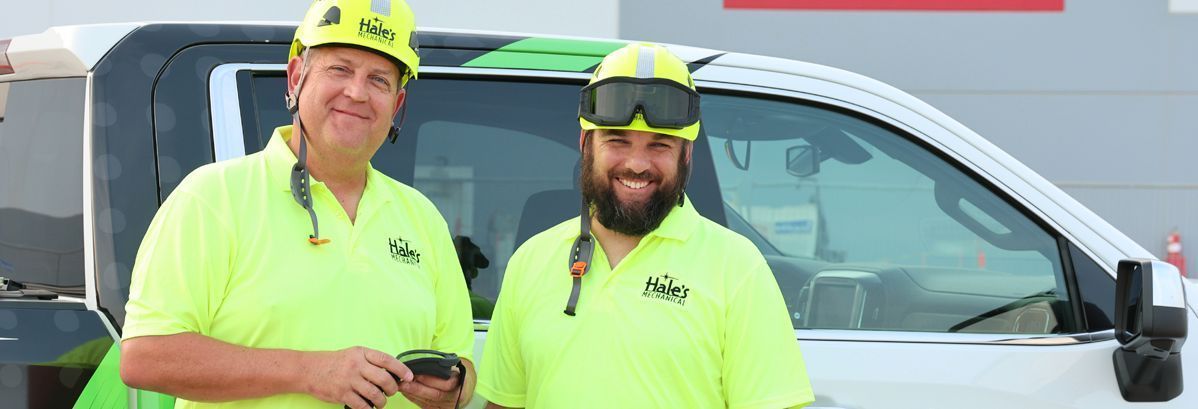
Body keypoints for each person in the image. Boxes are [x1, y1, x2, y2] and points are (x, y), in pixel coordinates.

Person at [119, 1, 475, 408]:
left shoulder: (422, 216)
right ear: (295, 79)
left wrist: (452, 387)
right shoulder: (212, 196)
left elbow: (461, 362)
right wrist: (308, 372)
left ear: (396, 106)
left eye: (379, 80)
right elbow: (145, 357)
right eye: (339, 69)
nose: (356, 93)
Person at [475, 43, 814, 408]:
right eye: (617, 140)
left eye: (659, 145)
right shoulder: (531, 261)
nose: (637, 164)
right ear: (585, 144)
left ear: (687, 154)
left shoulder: (738, 269)